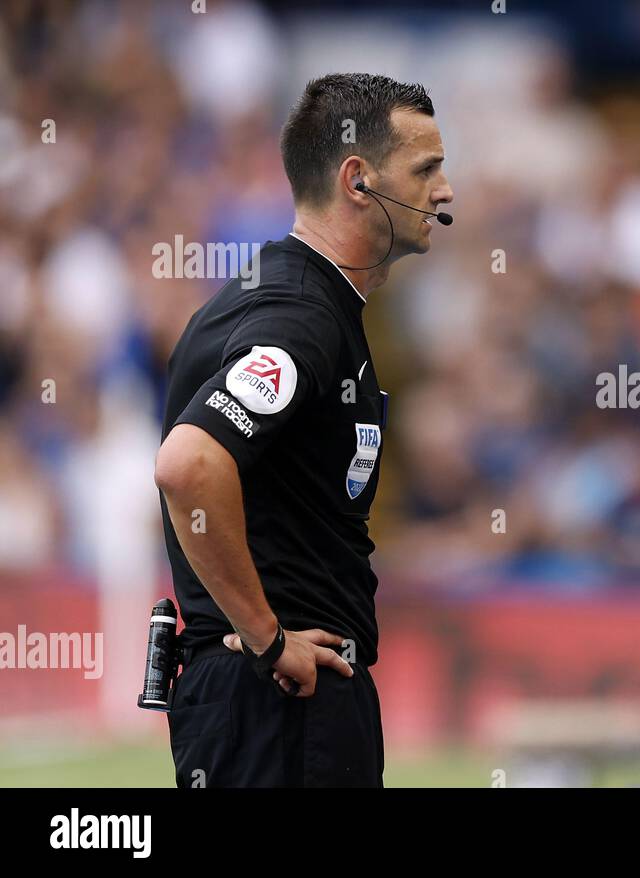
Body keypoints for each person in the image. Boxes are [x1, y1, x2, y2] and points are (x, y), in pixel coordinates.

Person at [153, 73, 454, 787]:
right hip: (284, 707)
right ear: (358, 179)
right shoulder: (301, 315)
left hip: (273, 704)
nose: (445, 193)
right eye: (427, 170)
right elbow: (188, 464)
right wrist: (265, 638)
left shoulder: (285, 297)